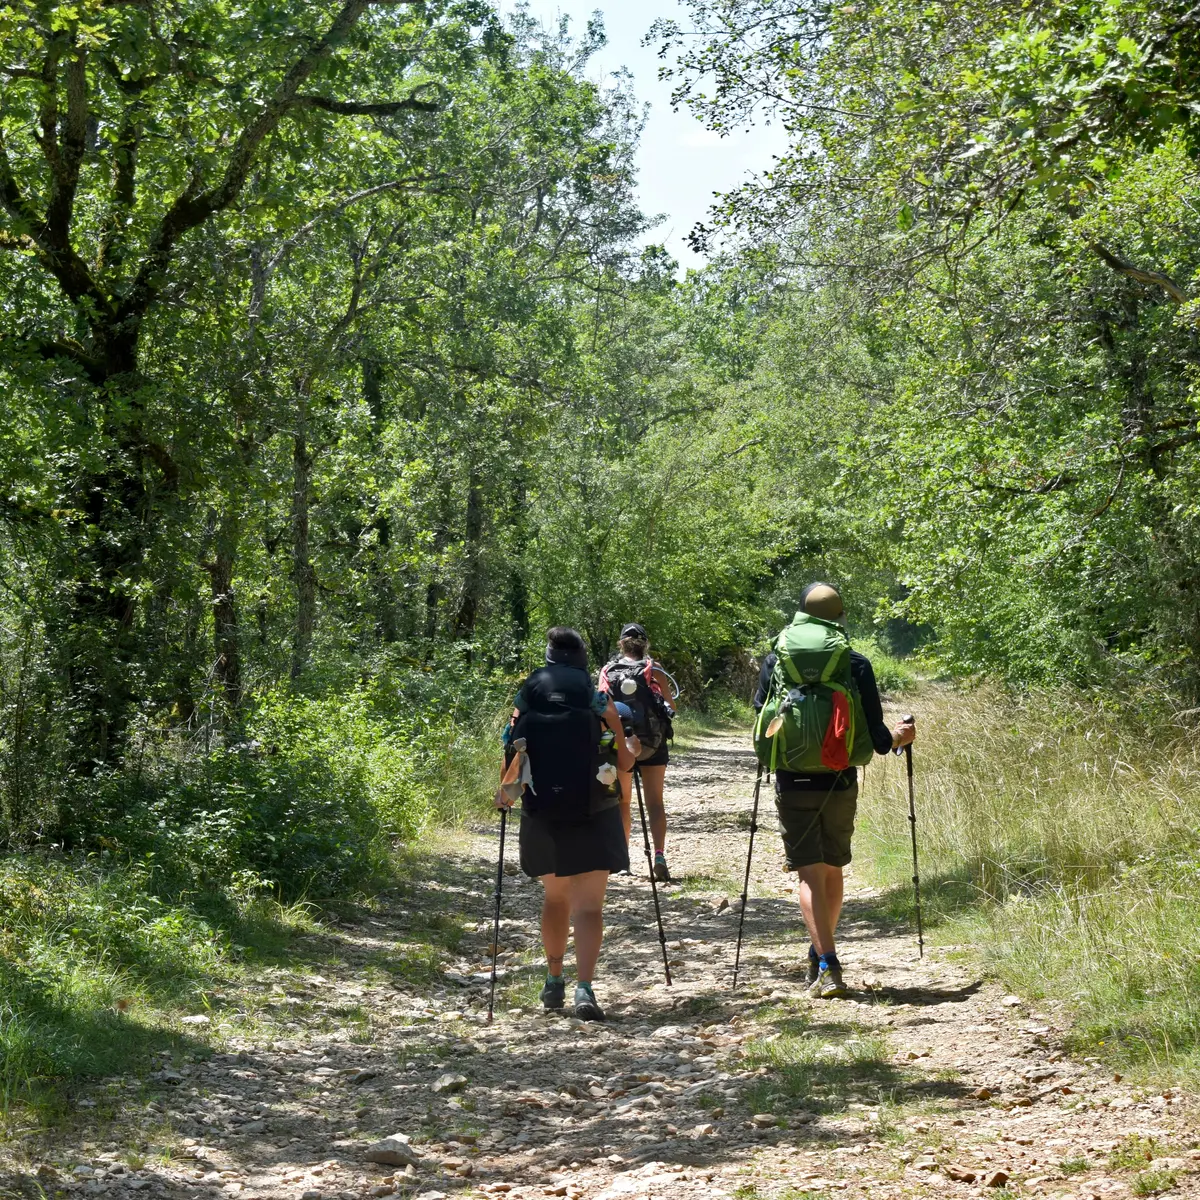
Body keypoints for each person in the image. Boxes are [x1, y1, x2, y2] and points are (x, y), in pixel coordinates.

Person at [752, 583, 916, 999]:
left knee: (809, 873)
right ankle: (821, 954)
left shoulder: (776, 659)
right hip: (840, 780)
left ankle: (826, 961)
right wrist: (901, 737)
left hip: (792, 779)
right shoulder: (854, 662)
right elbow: (879, 740)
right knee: (833, 868)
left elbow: (761, 714)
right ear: (840, 617)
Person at [496, 627, 634, 1021]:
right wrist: (620, 732)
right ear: (582, 658)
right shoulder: (597, 697)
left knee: (555, 898)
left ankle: (554, 979)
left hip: (542, 811)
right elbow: (625, 763)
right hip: (594, 809)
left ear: (549, 656)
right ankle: (584, 988)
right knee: (589, 907)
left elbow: (510, 745)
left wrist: (504, 793)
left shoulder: (528, 695)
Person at [599, 622, 677, 882]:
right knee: (655, 802)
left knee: (623, 802)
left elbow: (600, 708)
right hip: (653, 743)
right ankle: (659, 856)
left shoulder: (608, 671)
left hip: (622, 744)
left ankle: (623, 860)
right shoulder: (654, 669)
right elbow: (671, 706)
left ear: (621, 643)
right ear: (645, 644)